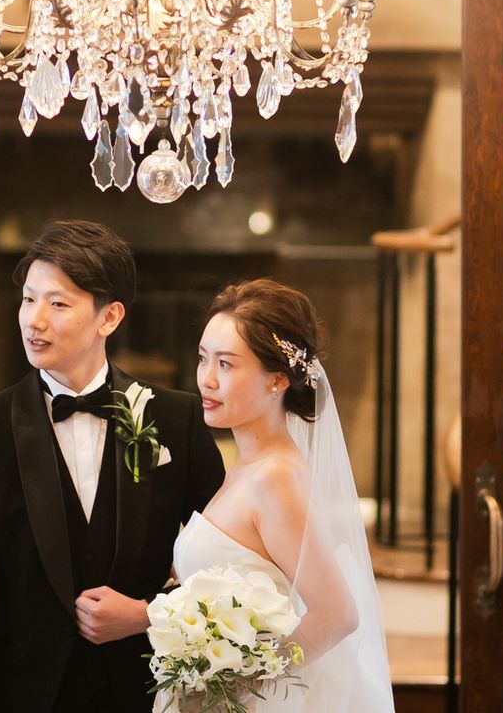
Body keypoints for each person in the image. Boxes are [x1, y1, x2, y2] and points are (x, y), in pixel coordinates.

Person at [0, 219, 226, 713]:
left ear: (109, 317)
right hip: (22, 697)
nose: (34, 320)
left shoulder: (177, 420)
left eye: (58, 304)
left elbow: (231, 566)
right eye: (28, 299)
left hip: (147, 693)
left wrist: (150, 613)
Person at [170, 278, 394, 712]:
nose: (206, 380)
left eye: (226, 364)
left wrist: (235, 680)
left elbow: (338, 614)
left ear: (276, 380)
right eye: (202, 359)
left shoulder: (274, 478)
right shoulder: (249, 466)